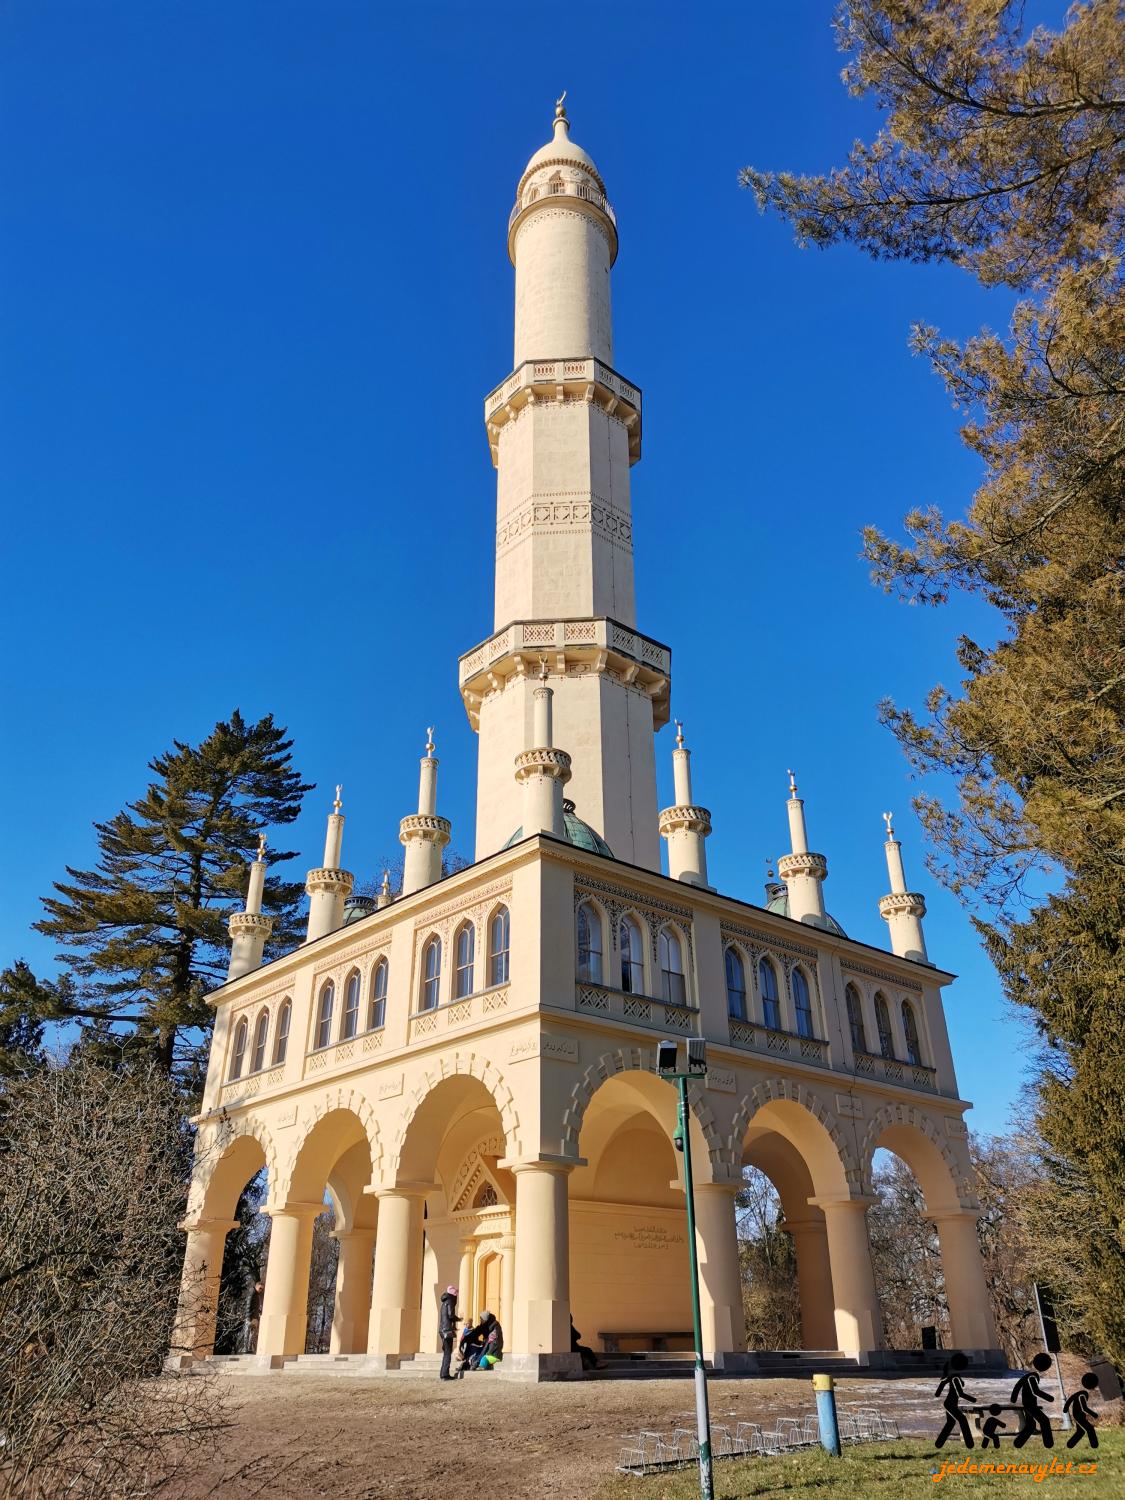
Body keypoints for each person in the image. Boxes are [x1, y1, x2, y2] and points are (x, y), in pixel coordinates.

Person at [934, 1352, 978, 1449]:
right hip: (950, 1404)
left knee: (951, 1423)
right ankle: (969, 1444)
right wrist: (973, 1399)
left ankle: (939, 1443)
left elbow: (940, 1386)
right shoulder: (955, 1379)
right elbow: (960, 1393)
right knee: (962, 1420)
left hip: (950, 1403)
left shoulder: (953, 1377)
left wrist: (938, 1393)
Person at [1012, 1353, 1055, 1448]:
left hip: (1028, 1402)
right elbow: (1036, 1391)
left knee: (1031, 1425)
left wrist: (1013, 1398)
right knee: (1044, 1421)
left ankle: (1018, 1443)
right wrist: (1049, 1398)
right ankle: (1048, 1444)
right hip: (1029, 1403)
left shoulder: (1029, 1376)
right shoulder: (1032, 1377)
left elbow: (1018, 1385)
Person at [1064, 1373, 1100, 1449]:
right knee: (1090, 1429)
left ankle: (1069, 1445)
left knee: (1080, 1432)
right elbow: (1084, 1408)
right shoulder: (1082, 1395)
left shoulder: (1080, 1393)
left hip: (1078, 1415)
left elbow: (1071, 1399)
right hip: (1078, 1416)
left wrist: (1066, 1408)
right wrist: (1094, 1414)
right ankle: (1094, 1446)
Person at [438, 1285, 460, 1381]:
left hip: (442, 1330)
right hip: (447, 1331)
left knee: (446, 1352)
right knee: (448, 1353)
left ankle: (443, 1373)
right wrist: (459, 1319)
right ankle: (445, 1374)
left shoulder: (444, 1302)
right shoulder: (450, 1301)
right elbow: (451, 1315)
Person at [246, 1280, 264, 1353]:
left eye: (262, 1289)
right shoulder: (252, 1293)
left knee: (253, 1334)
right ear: (256, 1286)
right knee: (252, 1334)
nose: (261, 1290)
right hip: (252, 1317)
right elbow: (248, 1305)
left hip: (254, 1317)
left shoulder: (256, 1294)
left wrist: (260, 1312)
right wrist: (248, 1318)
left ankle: (251, 1349)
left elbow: (254, 1306)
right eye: (260, 1288)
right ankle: (249, 1349)